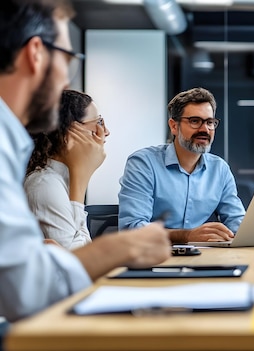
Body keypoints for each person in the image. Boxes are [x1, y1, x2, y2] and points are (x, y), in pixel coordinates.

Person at [0, 0, 170, 322]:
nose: (66, 80)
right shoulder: (28, 170)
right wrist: (121, 248)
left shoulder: (12, 144)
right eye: (68, 59)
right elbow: (30, 291)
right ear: (36, 53)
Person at [118, 87, 246, 243]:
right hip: (153, 257)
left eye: (210, 122)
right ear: (174, 126)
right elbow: (131, 228)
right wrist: (187, 236)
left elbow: (236, 221)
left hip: (204, 258)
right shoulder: (144, 163)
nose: (204, 129)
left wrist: (250, 233)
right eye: (194, 121)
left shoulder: (220, 169)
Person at [25, 90, 110, 249]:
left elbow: (85, 247)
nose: (106, 131)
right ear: (70, 133)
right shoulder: (45, 185)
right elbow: (79, 258)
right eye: (99, 122)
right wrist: (81, 177)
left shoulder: (59, 178)